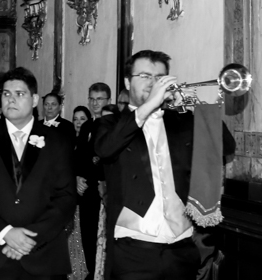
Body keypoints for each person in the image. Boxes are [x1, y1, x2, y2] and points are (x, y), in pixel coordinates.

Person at [95, 51, 236, 280]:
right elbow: (105, 149)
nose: (153, 83)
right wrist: (150, 104)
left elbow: (226, 146)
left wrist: (195, 107)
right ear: (127, 82)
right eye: (145, 76)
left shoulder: (181, 121)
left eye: (159, 78)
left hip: (181, 250)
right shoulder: (110, 123)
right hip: (132, 252)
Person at [0, 67, 77, 280]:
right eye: (6, 94)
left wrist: (29, 239)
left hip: (43, 255)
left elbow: (66, 197)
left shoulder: (57, 141)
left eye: (19, 94)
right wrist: (5, 233)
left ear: (34, 100)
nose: (11, 100)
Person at [76, 83, 110, 280]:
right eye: (92, 99)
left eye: (99, 99)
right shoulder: (86, 126)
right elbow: (79, 156)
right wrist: (77, 177)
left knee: (100, 235)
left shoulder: (111, 125)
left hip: (101, 189)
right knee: (86, 235)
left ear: (108, 101)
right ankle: (91, 272)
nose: (95, 103)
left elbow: (105, 159)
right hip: (84, 190)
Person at [67, 106, 93, 280]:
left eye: (82, 119)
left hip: (85, 195)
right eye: (75, 119)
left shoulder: (90, 141)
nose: (78, 123)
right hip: (70, 194)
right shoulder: (67, 141)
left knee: (84, 237)